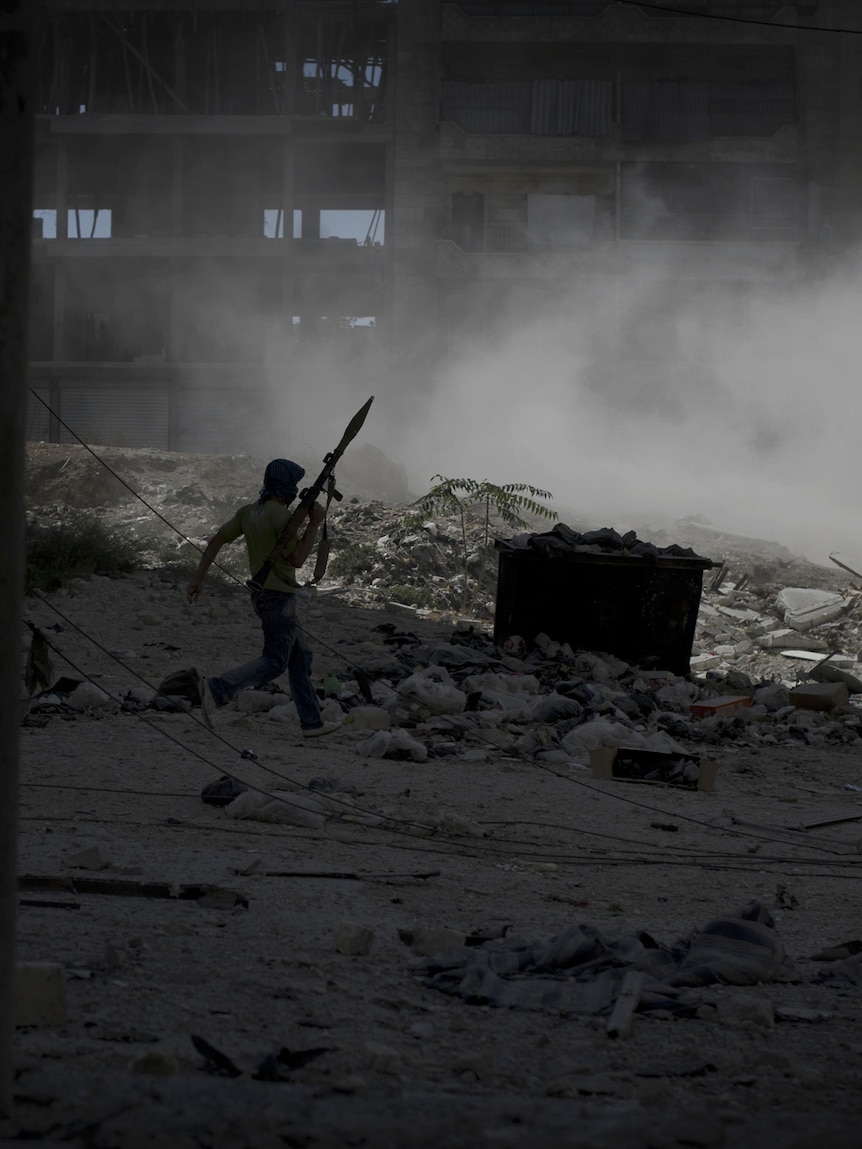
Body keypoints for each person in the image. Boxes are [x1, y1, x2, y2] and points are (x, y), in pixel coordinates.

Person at [186, 458, 340, 737]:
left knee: (300, 656)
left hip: (263, 596)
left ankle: (311, 722)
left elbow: (216, 541)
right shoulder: (281, 517)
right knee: (275, 661)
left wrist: (199, 578)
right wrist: (314, 524)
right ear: (287, 486)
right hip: (279, 599)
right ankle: (215, 689)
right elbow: (297, 559)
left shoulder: (249, 512)